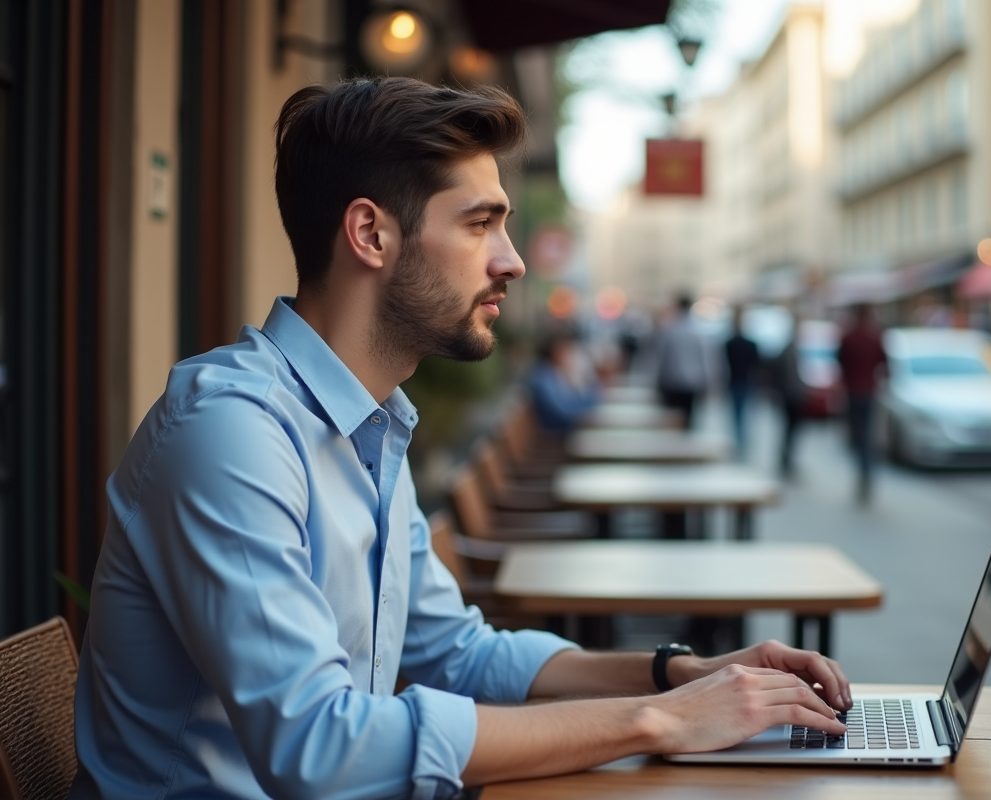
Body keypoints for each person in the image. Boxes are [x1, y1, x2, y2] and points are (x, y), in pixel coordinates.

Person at [70, 77, 849, 800]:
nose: (513, 262)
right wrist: (663, 722)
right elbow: (317, 745)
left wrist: (679, 673)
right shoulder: (231, 432)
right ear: (371, 235)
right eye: (480, 224)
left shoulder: (371, 423)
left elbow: (455, 654)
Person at [837, 304, 887, 504]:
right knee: (867, 435)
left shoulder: (849, 336)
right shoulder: (875, 336)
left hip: (853, 392)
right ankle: (866, 473)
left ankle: (863, 472)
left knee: (858, 436)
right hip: (868, 391)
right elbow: (884, 363)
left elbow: (840, 361)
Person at [527, 329, 600, 433]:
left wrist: (591, 390)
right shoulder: (543, 377)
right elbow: (562, 414)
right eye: (563, 349)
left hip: (568, 429)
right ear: (552, 350)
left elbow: (575, 401)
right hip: (558, 434)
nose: (567, 354)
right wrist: (584, 417)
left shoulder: (554, 371)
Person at [655, 294, 710, 428]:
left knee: (674, 421)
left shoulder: (671, 330)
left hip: (673, 381)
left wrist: (659, 381)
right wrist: (706, 381)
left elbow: (663, 358)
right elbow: (704, 358)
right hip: (693, 381)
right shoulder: (697, 330)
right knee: (689, 420)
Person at [771, 313, 807, 478]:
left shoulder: (792, 349)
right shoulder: (789, 350)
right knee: (789, 431)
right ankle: (786, 461)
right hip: (791, 396)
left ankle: (787, 460)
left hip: (791, 395)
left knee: (790, 431)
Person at [723, 307, 760, 458]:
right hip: (746, 382)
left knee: (736, 413)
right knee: (745, 413)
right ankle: (742, 440)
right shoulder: (750, 344)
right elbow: (757, 366)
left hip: (735, 381)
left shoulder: (729, 343)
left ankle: (739, 440)